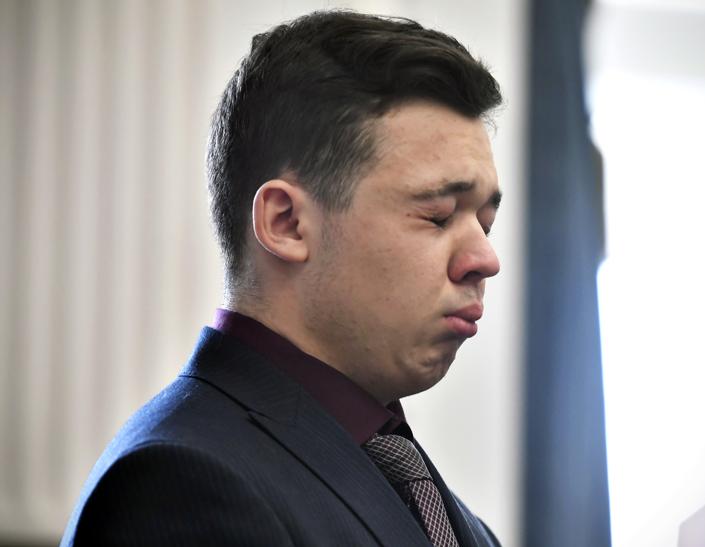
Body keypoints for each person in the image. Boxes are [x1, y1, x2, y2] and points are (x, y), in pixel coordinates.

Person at [61, 10, 503, 546]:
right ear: (286, 223)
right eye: (437, 215)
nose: (485, 258)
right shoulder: (182, 484)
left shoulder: (421, 490)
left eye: (485, 222)